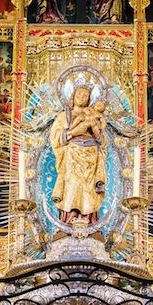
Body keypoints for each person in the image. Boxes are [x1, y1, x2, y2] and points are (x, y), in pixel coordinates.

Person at [49, 86, 107, 224]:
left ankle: (89, 224)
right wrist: (73, 132)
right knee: (72, 188)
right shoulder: (64, 116)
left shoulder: (93, 114)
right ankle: (68, 223)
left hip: (91, 157)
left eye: (85, 95)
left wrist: (95, 129)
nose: (82, 96)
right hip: (72, 156)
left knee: (89, 191)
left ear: (89, 99)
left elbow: (103, 142)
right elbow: (55, 138)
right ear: (73, 95)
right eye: (79, 93)